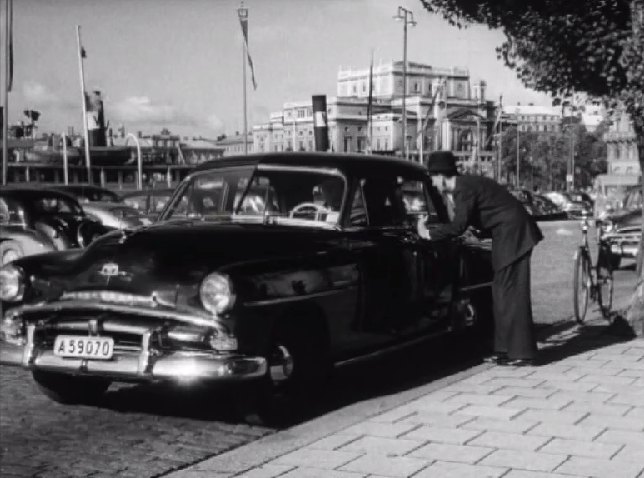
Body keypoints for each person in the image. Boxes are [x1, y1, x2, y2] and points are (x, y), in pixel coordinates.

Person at [419, 151, 543, 366]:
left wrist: (428, 233)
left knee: (513, 292)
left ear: (441, 175)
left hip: (514, 234)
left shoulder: (463, 188)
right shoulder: (466, 185)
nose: (432, 182)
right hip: (508, 233)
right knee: (502, 291)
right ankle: (506, 350)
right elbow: (480, 214)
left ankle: (523, 352)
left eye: (432, 177)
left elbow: (458, 225)